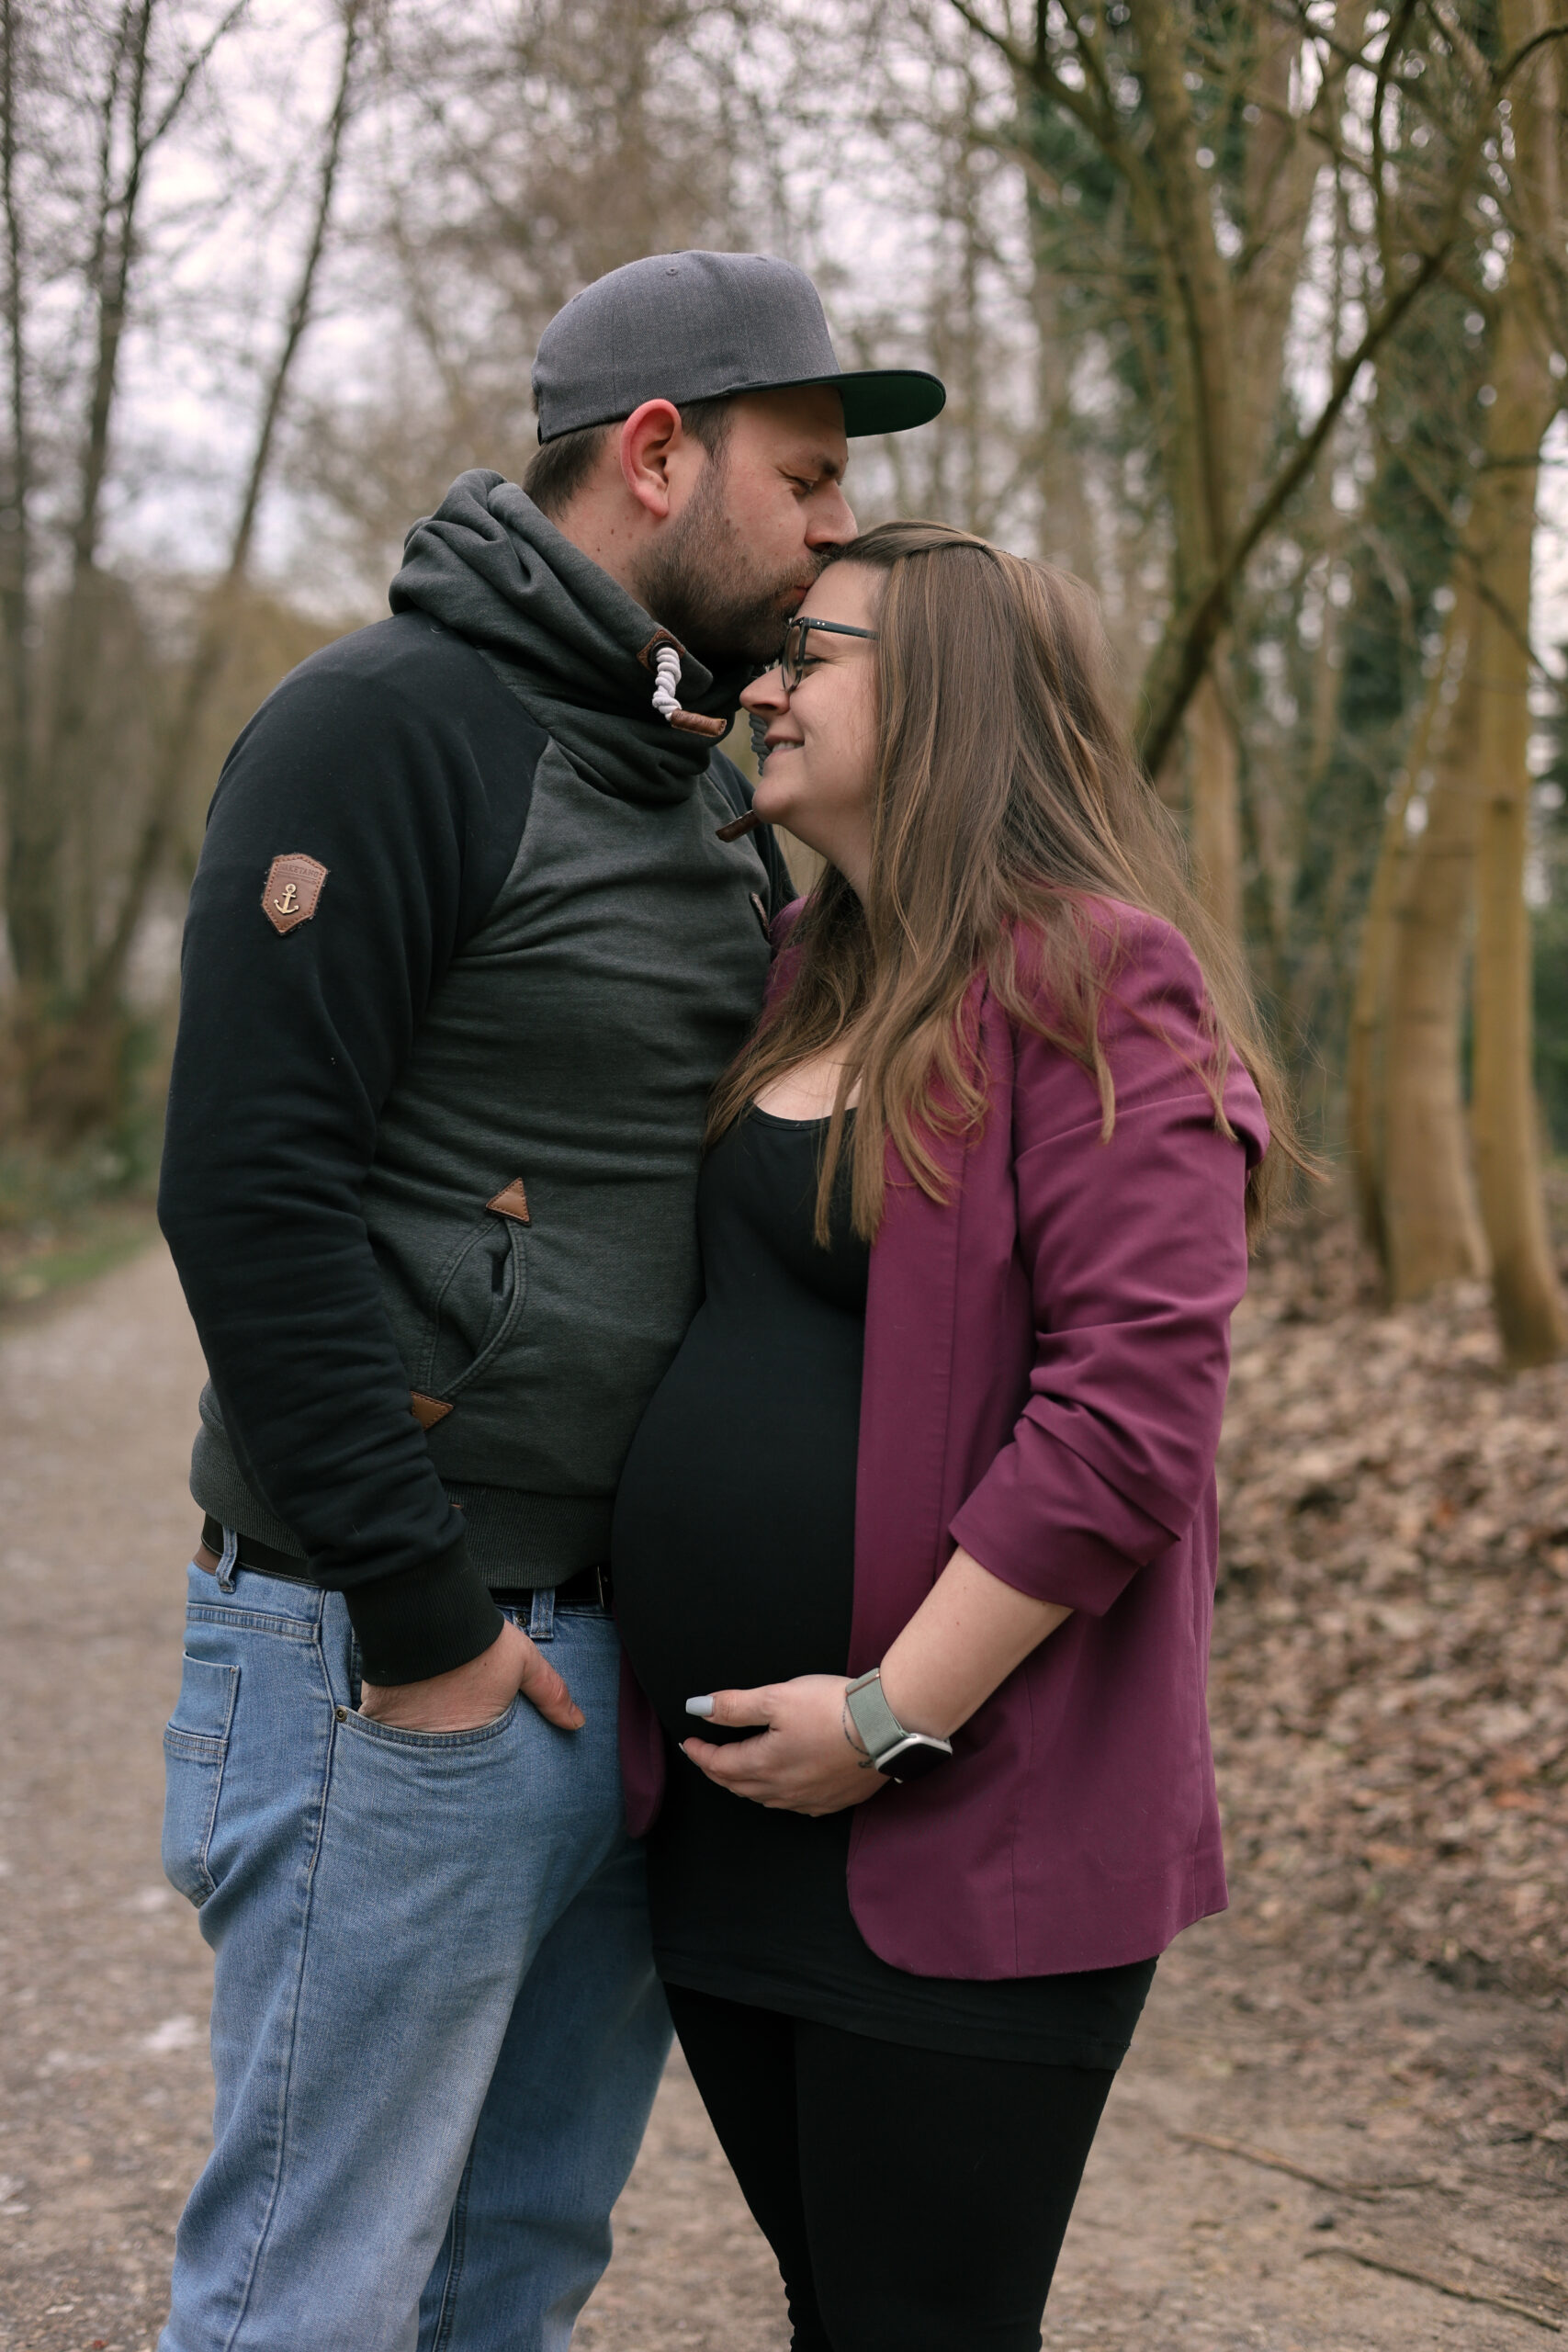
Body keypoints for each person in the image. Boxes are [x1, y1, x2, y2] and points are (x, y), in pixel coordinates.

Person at [153, 254, 942, 2352]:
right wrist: (419, 1626)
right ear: (657, 455)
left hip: (623, 1673)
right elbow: (245, 1192)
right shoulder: (380, 729)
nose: (836, 524)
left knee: (512, 2275)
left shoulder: (699, 782)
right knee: (308, 2295)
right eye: (807, 476)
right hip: (390, 1650)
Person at [611, 520, 1296, 2352]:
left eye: (808, 653)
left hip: (964, 1821)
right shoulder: (796, 966)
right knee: (837, 2307)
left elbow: (1129, 1417)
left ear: (945, 708)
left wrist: (891, 1715)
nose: (763, 682)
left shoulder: (1097, 980)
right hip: (735, 1821)